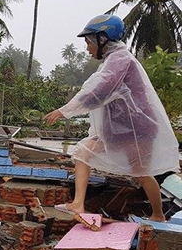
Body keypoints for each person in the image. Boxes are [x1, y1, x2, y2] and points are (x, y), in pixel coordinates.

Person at [44, 14, 179, 222]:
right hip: (117, 129)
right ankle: (78, 204)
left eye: (89, 42)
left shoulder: (121, 60)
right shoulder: (112, 60)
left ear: (103, 39)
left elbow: (99, 91)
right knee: (82, 153)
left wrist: (66, 110)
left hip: (137, 129)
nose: (88, 48)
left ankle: (158, 215)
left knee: (141, 173)